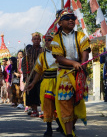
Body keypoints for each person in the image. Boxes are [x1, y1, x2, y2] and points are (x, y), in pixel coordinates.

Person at [51, 8, 90, 137]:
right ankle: (68, 134)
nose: (71, 20)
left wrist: (82, 64)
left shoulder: (81, 36)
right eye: (67, 18)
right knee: (65, 103)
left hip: (79, 73)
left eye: (72, 18)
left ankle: (71, 127)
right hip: (64, 75)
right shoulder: (56, 38)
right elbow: (59, 57)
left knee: (77, 103)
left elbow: (85, 50)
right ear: (60, 23)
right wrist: (74, 63)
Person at [26, 33, 60, 137]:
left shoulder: (61, 54)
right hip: (47, 82)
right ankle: (49, 128)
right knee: (47, 105)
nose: (48, 42)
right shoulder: (42, 56)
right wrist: (32, 83)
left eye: (50, 40)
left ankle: (63, 125)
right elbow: (38, 72)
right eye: (47, 40)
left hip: (59, 82)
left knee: (61, 105)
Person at [22, 32, 44, 117]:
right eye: (34, 39)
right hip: (30, 76)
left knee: (41, 93)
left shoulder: (43, 50)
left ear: (40, 40)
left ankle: (42, 111)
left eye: (38, 39)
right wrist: (25, 76)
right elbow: (24, 64)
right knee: (32, 93)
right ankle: (35, 110)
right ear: (32, 40)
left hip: (41, 76)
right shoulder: (28, 51)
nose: (36, 41)